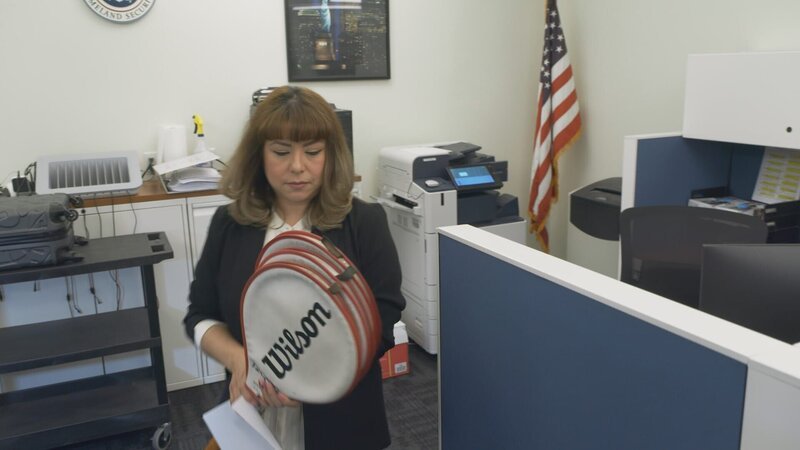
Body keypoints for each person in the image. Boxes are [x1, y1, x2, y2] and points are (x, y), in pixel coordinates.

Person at [183, 85, 405, 450]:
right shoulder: (229, 223)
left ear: (331, 156)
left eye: (313, 152)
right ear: (259, 156)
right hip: (253, 411)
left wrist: (311, 382)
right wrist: (238, 360)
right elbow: (200, 316)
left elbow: (381, 323)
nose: (297, 166)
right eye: (281, 152)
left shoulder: (363, 222)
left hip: (343, 417)